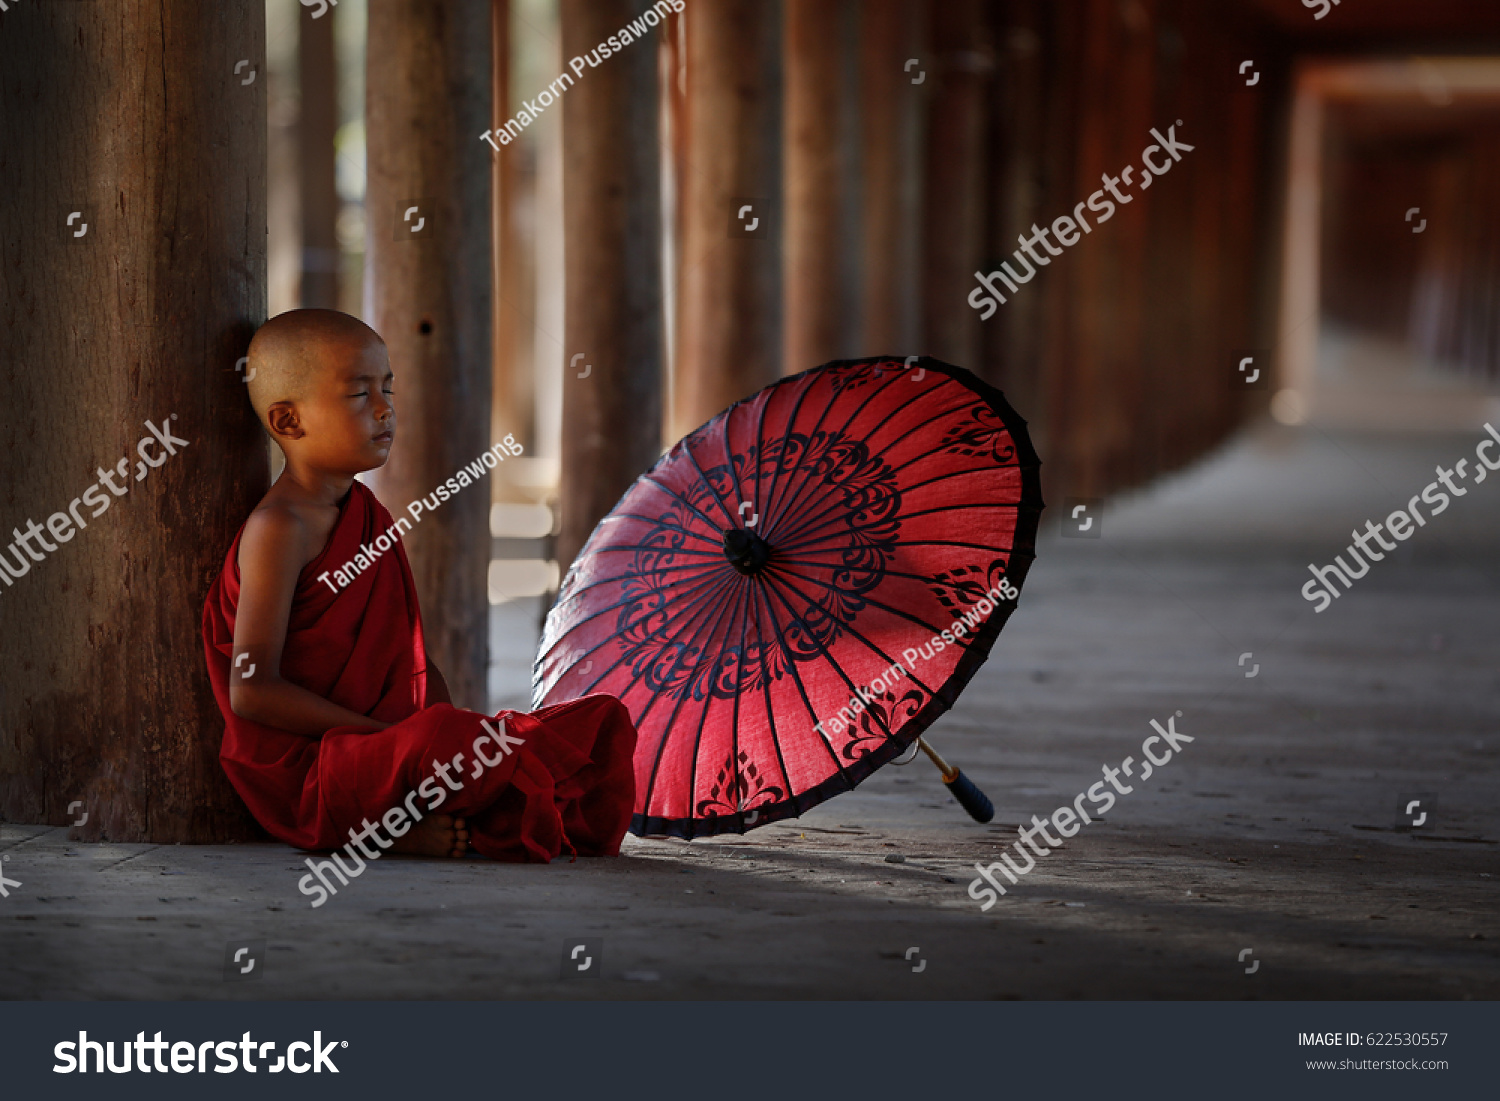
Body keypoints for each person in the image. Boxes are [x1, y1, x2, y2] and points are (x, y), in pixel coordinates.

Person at [201, 309, 636, 864]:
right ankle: (393, 827)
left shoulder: (365, 512)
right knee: (449, 745)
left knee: (598, 722)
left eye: (387, 388)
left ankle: (433, 812)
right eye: (359, 394)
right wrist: (383, 735)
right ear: (288, 421)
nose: (386, 409)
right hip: (321, 763)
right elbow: (252, 690)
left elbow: (404, 661)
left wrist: (432, 732)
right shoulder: (278, 529)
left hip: (390, 745)